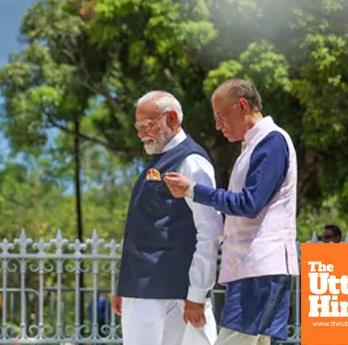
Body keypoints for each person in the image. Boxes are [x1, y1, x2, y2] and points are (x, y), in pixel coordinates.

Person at [163, 78, 299, 345]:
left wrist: (194, 190)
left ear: (243, 106)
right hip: (256, 269)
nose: (218, 125)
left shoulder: (271, 142)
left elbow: (249, 204)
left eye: (221, 116)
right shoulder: (256, 145)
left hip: (259, 269)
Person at [113, 90, 224, 345]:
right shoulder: (161, 160)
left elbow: (209, 230)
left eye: (147, 125)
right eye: (138, 126)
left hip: (171, 295)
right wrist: (125, 288)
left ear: (172, 119)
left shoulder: (191, 161)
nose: (141, 133)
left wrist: (197, 294)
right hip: (143, 293)